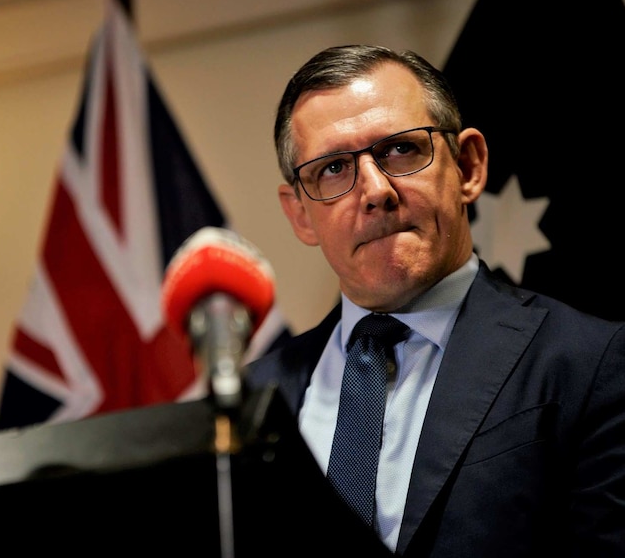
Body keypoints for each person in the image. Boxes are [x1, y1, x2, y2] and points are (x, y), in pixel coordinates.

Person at [244, 44, 625, 557]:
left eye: (400, 149)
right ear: (300, 215)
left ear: (468, 166)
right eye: (333, 168)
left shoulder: (589, 364)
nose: (375, 190)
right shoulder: (250, 401)